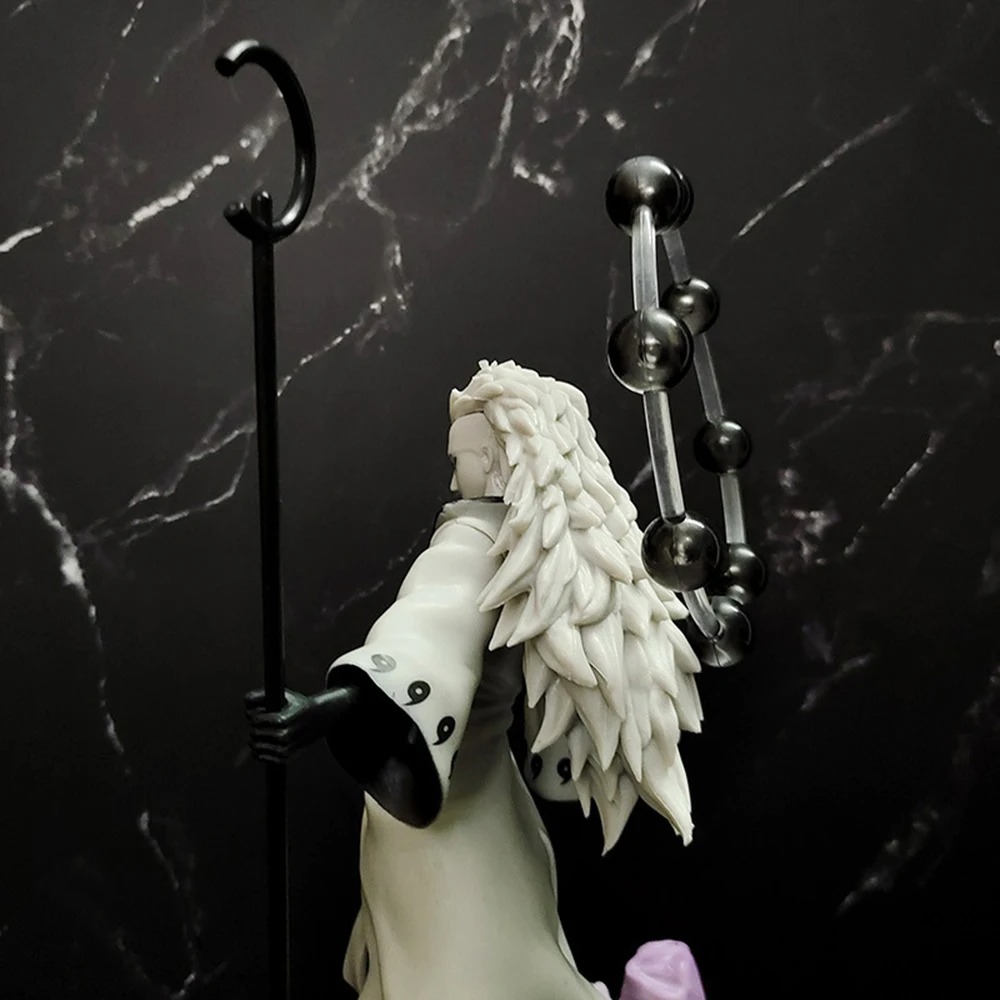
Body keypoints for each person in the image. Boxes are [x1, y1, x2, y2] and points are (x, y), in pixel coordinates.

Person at [247, 360, 704, 1000]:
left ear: (492, 462)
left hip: (445, 824)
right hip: (491, 805)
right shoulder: (529, 549)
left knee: (461, 967)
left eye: (458, 459)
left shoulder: (472, 542)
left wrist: (320, 710)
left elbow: (423, 647)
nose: (450, 477)